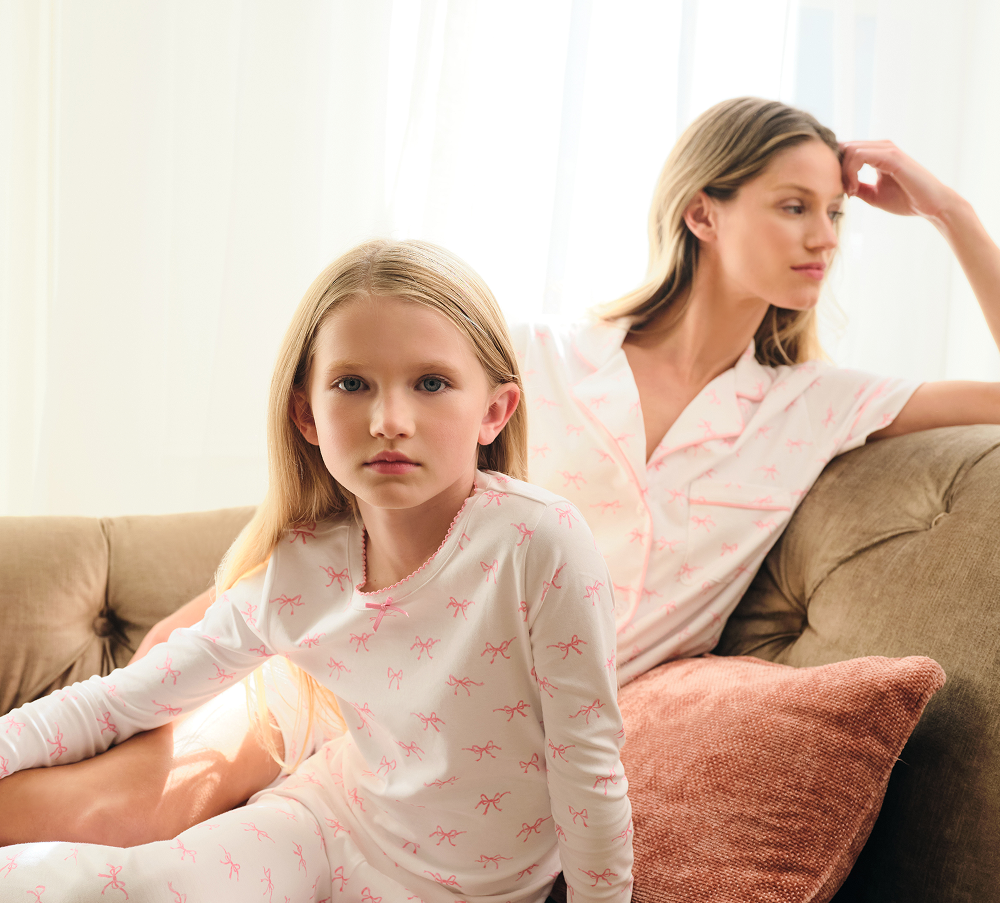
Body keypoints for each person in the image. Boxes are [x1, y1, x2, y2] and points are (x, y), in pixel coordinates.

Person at [4, 96, 1000, 837]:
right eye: (793, 207)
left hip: (493, 752)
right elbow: (358, 462)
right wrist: (221, 604)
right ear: (703, 214)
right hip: (351, 668)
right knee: (121, 803)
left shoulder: (818, 405)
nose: (822, 237)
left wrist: (952, 212)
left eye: (835, 214)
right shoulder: (535, 357)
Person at [0, 240, 684, 903]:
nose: (388, 418)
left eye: (430, 384)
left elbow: (588, 764)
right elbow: (124, 700)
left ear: (496, 410)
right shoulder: (304, 560)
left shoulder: (539, 543)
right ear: (306, 414)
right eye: (352, 384)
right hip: (317, 830)